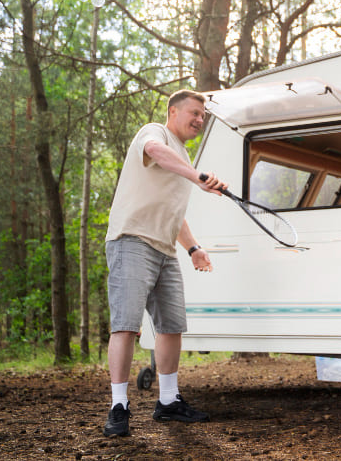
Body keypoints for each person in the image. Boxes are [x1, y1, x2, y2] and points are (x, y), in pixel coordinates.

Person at [102, 90, 226, 437]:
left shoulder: (183, 156)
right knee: (126, 325)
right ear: (173, 111)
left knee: (171, 326)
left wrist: (193, 248)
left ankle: (168, 402)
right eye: (195, 112)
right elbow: (156, 153)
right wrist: (197, 176)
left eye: (203, 115)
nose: (200, 120)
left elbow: (174, 213)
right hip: (132, 240)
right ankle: (119, 405)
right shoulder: (153, 132)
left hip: (166, 250)